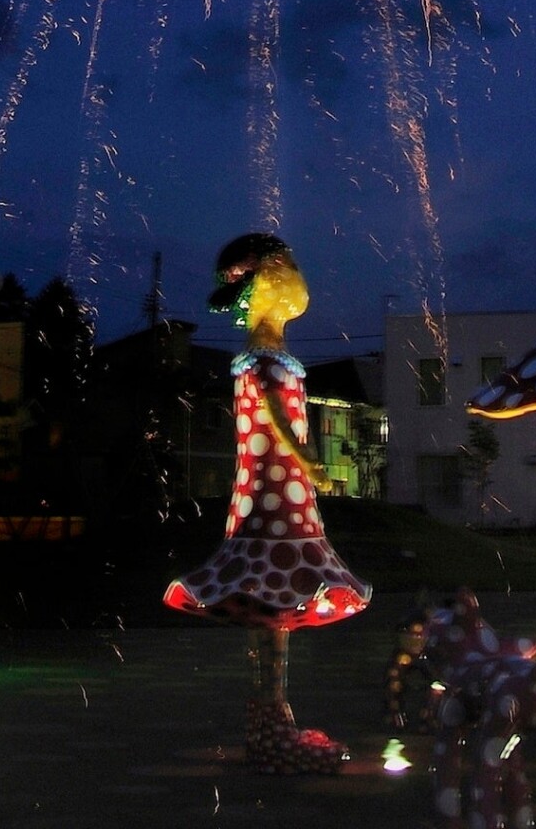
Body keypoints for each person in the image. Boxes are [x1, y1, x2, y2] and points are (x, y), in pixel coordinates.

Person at [164, 232, 371, 772]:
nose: (298, 273)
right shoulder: (259, 356)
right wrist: (309, 461)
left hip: (281, 497)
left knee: (274, 609)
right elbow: (276, 414)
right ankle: (271, 729)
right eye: (287, 264)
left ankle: (271, 724)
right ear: (263, 282)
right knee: (272, 600)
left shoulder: (273, 352)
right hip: (273, 495)